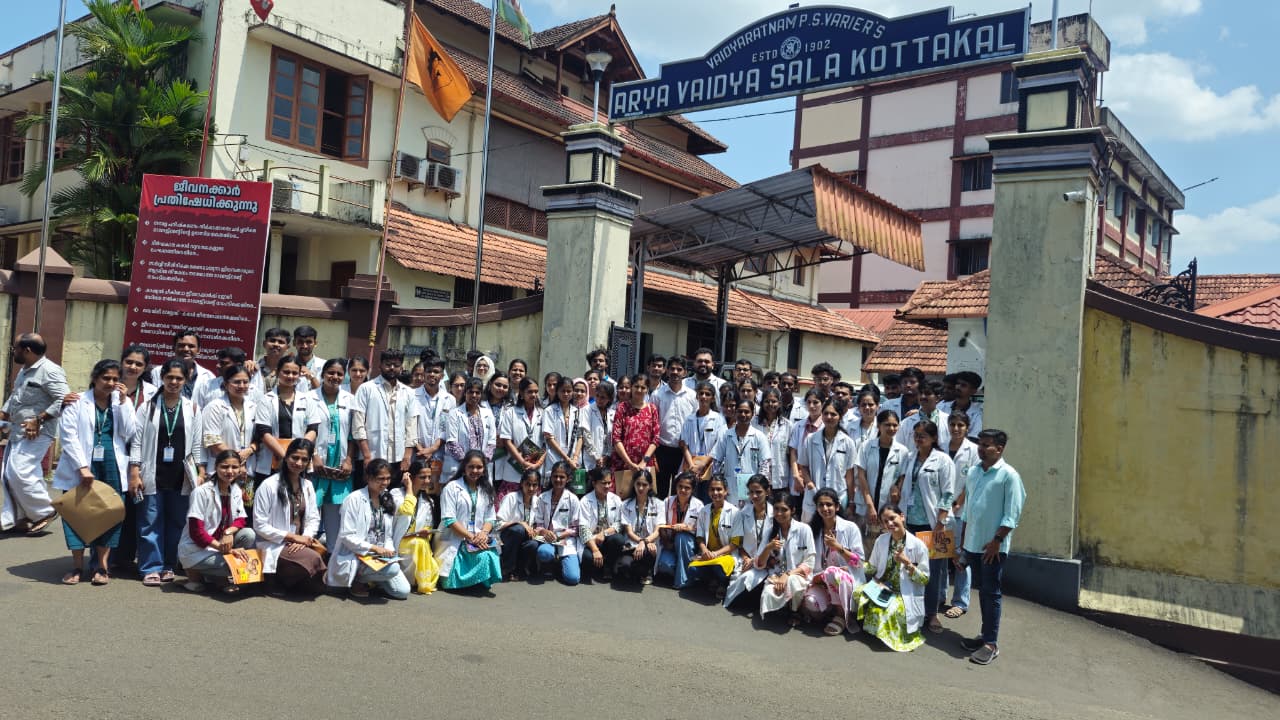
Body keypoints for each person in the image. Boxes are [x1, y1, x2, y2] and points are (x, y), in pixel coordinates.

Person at [52, 360, 137, 585]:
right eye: (106, 378)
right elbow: (68, 436)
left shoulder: (121, 402)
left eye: (115, 379)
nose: (110, 383)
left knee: (110, 511)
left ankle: (102, 566)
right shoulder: (77, 401)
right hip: (81, 464)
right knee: (76, 512)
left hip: (112, 463)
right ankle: (77, 567)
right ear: (95, 378)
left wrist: (124, 402)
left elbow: (129, 432)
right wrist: (82, 467)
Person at [129, 359, 201, 586]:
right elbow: (137, 442)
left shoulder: (192, 407)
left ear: (185, 380)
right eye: (170, 377)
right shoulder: (147, 407)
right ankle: (151, 567)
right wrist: (134, 472)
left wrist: (199, 472)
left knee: (177, 522)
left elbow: (197, 444)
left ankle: (169, 564)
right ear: (162, 378)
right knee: (150, 521)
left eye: (179, 378)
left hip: (181, 475)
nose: (174, 382)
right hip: (152, 473)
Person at [957, 429, 1025, 666]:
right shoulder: (974, 472)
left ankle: (991, 644)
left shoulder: (1009, 476)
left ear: (1000, 449)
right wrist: (964, 543)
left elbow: (1012, 515)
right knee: (983, 591)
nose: (981, 449)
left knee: (992, 593)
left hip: (992, 547)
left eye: (987, 445)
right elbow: (968, 510)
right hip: (973, 544)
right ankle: (985, 635)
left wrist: (997, 541)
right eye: (980, 444)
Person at [0, 333, 69, 534]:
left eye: (16, 348)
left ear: (27, 350)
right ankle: (20, 517)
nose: (14, 351)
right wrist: (4, 415)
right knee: (8, 474)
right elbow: (16, 397)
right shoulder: (25, 371)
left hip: (38, 432)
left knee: (21, 472)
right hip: (17, 430)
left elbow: (64, 399)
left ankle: (45, 511)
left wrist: (39, 419)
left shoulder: (50, 371)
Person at [898, 419, 956, 633]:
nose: (918, 439)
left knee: (932, 571)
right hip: (910, 522)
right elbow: (903, 482)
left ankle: (932, 614)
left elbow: (948, 493)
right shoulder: (910, 457)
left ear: (934, 438)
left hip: (932, 524)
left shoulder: (943, 460)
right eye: (916, 435)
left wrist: (941, 521)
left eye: (923, 435)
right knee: (909, 567)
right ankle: (911, 610)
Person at [326, 459, 410, 599]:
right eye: (380, 479)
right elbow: (347, 536)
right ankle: (358, 580)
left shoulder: (387, 498)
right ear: (368, 478)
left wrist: (388, 550)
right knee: (393, 569)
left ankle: (374, 579)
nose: (385, 483)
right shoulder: (354, 499)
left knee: (402, 591)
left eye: (388, 478)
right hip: (357, 555)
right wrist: (374, 548)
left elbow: (387, 535)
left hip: (378, 557)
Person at [253, 439, 327, 595]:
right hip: (275, 542)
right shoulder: (268, 485)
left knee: (317, 585)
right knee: (312, 560)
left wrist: (305, 538)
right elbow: (259, 525)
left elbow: (314, 518)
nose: (299, 463)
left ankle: (287, 580)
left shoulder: (307, 485)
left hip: (300, 543)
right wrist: (292, 537)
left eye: (304, 459)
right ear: (286, 457)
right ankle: (272, 579)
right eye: (295, 457)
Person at [178, 450, 256, 594]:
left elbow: (241, 520)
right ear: (216, 466)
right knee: (236, 566)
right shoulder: (201, 492)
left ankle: (215, 577)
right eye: (224, 467)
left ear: (240, 468)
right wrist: (228, 550)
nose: (230, 471)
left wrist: (228, 532)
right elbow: (197, 532)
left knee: (249, 534)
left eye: (234, 467)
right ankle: (195, 573)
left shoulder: (235, 490)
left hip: (220, 543)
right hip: (197, 549)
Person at [856, 503, 930, 651]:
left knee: (885, 611)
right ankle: (875, 629)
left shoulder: (918, 545)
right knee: (858, 593)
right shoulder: (882, 540)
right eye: (885, 521)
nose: (889, 523)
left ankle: (887, 633)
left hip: (903, 594)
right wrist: (853, 564)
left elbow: (924, 579)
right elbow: (872, 567)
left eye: (892, 518)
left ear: (902, 517)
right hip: (882, 588)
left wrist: (908, 563)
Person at [799, 489, 865, 635]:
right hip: (822, 580)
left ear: (837, 507)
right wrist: (814, 578)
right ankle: (831, 610)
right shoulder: (813, 530)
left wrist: (838, 547)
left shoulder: (850, 528)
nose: (825, 508)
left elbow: (859, 562)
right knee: (811, 602)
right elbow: (807, 559)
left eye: (829, 504)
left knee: (832, 572)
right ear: (816, 508)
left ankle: (841, 615)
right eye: (821, 505)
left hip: (846, 581)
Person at [437, 450, 502, 591]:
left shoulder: (486, 489)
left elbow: (491, 518)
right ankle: (466, 583)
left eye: (479, 467)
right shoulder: (451, 488)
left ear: (484, 469)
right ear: (464, 467)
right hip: (456, 538)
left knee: (489, 555)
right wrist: (471, 537)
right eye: (471, 467)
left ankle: (477, 582)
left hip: (478, 537)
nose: (475, 471)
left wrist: (483, 533)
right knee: (450, 581)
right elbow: (449, 519)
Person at [252, 355, 322, 482]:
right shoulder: (266, 400)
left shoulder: (307, 399)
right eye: (286, 372)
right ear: (278, 372)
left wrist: (298, 454)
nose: (290, 376)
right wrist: (287, 458)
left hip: (299, 463)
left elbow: (313, 429)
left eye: (295, 373)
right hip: (272, 462)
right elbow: (264, 432)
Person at [352, 348, 420, 475]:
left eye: (396, 365)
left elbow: (411, 427)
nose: (392, 368)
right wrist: (367, 455)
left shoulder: (408, 392)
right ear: (380, 366)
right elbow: (358, 425)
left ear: (402, 367)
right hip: (372, 457)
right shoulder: (366, 389)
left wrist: (407, 456)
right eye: (388, 364)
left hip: (399, 459)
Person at [199, 364, 260, 505]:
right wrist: (237, 462)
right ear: (226, 384)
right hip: (222, 470)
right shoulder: (214, 407)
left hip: (247, 472)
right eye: (237, 382)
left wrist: (250, 450)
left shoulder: (254, 407)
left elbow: (260, 437)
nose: (241, 385)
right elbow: (213, 441)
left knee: (244, 510)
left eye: (245, 382)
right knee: (218, 509)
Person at [312, 358, 355, 551]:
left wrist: (349, 460)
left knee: (336, 517)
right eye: (330, 372)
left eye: (339, 374)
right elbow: (305, 429)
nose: (335, 377)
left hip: (340, 468)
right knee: (310, 512)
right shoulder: (309, 398)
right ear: (322, 374)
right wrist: (313, 455)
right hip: (315, 465)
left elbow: (354, 434)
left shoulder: (350, 399)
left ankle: (332, 555)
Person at [943, 411, 981, 621]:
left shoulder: (973, 450)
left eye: (960, 425)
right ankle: (939, 596)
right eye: (953, 424)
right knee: (940, 555)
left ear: (967, 427)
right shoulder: (941, 446)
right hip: (940, 511)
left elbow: (972, 481)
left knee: (960, 557)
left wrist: (959, 502)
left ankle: (960, 601)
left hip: (960, 511)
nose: (956, 429)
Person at [755, 495, 816, 623]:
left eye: (784, 509)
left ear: (792, 510)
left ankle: (795, 611)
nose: (779, 513)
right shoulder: (770, 531)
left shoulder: (804, 529)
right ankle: (785, 605)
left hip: (799, 576)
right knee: (769, 594)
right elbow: (759, 563)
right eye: (776, 509)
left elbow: (810, 562)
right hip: (777, 576)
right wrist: (768, 548)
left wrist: (788, 575)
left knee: (792, 582)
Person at [796, 398, 858, 523]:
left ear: (840, 417)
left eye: (833, 414)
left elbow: (850, 475)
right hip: (814, 493)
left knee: (835, 530)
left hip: (838, 495)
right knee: (811, 531)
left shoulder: (848, 442)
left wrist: (851, 501)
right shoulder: (810, 439)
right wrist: (810, 483)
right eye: (826, 413)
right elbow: (803, 465)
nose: (829, 417)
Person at [722, 475, 774, 608]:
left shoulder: (775, 515)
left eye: (758, 492)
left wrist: (760, 561)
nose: (754, 496)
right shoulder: (743, 513)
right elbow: (738, 542)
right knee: (737, 597)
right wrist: (746, 558)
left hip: (768, 562)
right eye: (751, 492)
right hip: (746, 559)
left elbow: (778, 545)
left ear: (767, 491)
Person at [854, 409, 908, 533]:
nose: (891, 428)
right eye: (887, 425)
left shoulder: (902, 451)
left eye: (895, 425)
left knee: (887, 538)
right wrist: (870, 506)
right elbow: (861, 477)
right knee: (866, 539)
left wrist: (897, 488)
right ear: (878, 425)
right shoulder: (866, 446)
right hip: (866, 502)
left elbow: (902, 476)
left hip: (889, 504)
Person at [713, 398, 772, 508]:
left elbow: (765, 465)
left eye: (746, 412)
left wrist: (759, 488)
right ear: (735, 412)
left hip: (752, 490)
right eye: (740, 411)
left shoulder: (759, 437)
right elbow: (716, 462)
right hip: (730, 487)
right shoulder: (726, 435)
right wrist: (719, 485)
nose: (743, 414)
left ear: (753, 414)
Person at [650, 356, 695, 498]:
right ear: (667, 371)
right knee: (660, 491)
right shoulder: (657, 395)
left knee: (681, 491)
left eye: (679, 369)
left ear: (685, 373)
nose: (675, 372)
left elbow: (695, 423)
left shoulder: (692, 396)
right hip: (662, 450)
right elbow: (652, 423)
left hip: (684, 452)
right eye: (672, 369)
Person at [530, 461, 582, 585]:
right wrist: (545, 532)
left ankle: (561, 563)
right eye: (555, 476)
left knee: (573, 578)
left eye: (562, 477)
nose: (558, 479)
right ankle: (549, 563)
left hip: (566, 540)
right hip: (547, 539)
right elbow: (538, 524)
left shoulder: (573, 499)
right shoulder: (543, 497)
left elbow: (575, 528)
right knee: (544, 552)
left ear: (568, 479)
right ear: (551, 477)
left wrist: (558, 535)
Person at [686, 476, 738, 598]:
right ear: (708, 491)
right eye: (712, 489)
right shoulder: (704, 510)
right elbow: (699, 536)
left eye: (719, 489)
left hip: (726, 555)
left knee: (719, 567)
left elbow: (735, 543)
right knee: (692, 569)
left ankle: (723, 583)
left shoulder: (735, 512)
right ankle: (712, 579)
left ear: (726, 491)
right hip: (708, 554)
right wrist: (704, 550)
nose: (715, 492)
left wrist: (716, 554)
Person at [396, 459, 442, 594]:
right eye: (422, 477)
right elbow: (407, 510)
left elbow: (428, 524)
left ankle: (416, 580)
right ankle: (416, 580)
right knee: (418, 543)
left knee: (420, 543)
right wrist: (409, 487)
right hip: (399, 542)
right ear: (410, 477)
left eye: (429, 477)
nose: (427, 481)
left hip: (417, 542)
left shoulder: (428, 501)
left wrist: (426, 532)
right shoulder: (396, 495)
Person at [611, 373, 659, 499]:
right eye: (636, 386)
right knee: (621, 500)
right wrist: (629, 463)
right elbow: (616, 438)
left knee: (644, 499)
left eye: (643, 387)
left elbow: (655, 439)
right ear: (631, 387)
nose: (639, 390)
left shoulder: (652, 409)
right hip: (623, 463)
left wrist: (644, 462)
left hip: (645, 464)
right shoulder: (622, 408)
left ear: (647, 390)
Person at [496, 377, 544, 501]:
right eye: (530, 392)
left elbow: (547, 442)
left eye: (536, 391)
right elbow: (507, 440)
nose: (534, 395)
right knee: (510, 504)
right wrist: (522, 462)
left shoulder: (543, 413)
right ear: (521, 393)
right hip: (514, 468)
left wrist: (538, 464)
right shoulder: (511, 412)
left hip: (536, 467)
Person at [653, 471, 703, 589]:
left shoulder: (698, 505)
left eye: (687, 488)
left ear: (692, 490)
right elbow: (660, 524)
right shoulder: (667, 501)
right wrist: (666, 542)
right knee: (664, 565)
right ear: (676, 486)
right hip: (669, 543)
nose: (683, 490)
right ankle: (686, 570)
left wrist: (687, 528)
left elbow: (701, 531)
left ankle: (684, 580)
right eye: (680, 486)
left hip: (688, 544)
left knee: (682, 537)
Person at [678, 380, 725, 503]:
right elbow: (684, 445)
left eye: (707, 394)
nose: (704, 397)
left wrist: (703, 464)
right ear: (697, 396)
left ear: (713, 398)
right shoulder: (689, 419)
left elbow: (719, 445)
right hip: (691, 466)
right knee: (690, 502)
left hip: (710, 466)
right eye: (701, 393)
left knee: (707, 501)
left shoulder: (718, 419)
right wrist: (692, 466)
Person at [444, 377, 497, 480]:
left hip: (482, 468)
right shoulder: (454, 413)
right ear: (465, 393)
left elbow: (492, 442)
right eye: (470, 392)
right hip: (460, 466)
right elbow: (451, 442)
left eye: (477, 393)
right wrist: (468, 465)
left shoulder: (487, 413)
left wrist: (481, 464)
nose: (474, 395)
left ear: (481, 394)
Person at [578, 467, 624, 583]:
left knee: (618, 539)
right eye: (603, 483)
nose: (607, 486)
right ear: (594, 483)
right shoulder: (585, 501)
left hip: (607, 539)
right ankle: (597, 567)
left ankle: (608, 565)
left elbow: (620, 524)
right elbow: (583, 529)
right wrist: (595, 550)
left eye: (609, 482)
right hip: (591, 540)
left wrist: (604, 533)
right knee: (588, 558)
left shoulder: (616, 499)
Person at [496, 468, 542, 580]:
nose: (531, 488)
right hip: (507, 537)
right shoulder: (511, 498)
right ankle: (507, 568)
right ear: (522, 483)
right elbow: (497, 524)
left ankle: (520, 569)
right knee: (518, 529)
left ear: (538, 486)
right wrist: (519, 523)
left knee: (533, 544)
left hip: (525, 538)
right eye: (528, 484)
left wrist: (535, 529)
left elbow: (538, 523)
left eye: (534, 485)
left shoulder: (538, 501)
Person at [413, 354, 456, 474]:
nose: (432, 374)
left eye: (436, 372)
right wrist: (421, 449)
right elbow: (409, 426)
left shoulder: (450, 399)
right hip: (417, 453)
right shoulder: (412, 395)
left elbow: (448, 428)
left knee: (436, 484)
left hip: (439, 454)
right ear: (424, 374)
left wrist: (433, 448)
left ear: (442, 376)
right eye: (429, 371)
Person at [617, 470, 661, 584]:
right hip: (632, 544)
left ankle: (647, 572)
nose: (641, 488)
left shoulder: (658, 504)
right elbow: (629, 532)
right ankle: (638, 571)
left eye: (644, 485)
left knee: (649, 550)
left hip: (650, 544)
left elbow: (657, 531)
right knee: (626, 565)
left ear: (650, 486)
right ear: (634, 484)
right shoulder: (625, 505)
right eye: (638, 484)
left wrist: (645, 542)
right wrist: (641, 541)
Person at [148, 329, 216, 399]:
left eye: (191, 346)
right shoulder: (157, 372)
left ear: (198, 350)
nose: (186, 349)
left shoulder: (208, 377)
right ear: (173, 348)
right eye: (181, 345)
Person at [541, 377, 584, 486]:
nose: (566, 394)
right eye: (563, 391)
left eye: (569, 391)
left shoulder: (577, 411)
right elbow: (549, 438)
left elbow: (580, 436)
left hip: (574, 462)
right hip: (555, 459)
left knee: (572, 493)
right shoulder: (549, 411)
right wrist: (567, 459)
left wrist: (575, 458)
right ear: (557, 392)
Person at [753, 388, 792, 503]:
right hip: (758, 475)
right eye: (767, 401)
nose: (770, 404)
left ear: (779, 404)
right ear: (762, 403)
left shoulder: (787, 425)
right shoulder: (753, 423)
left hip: (780, 478)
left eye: (774, 401)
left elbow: (790, 454)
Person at [787, 389, 823, 512]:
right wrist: (796, 476)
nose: (812, 406)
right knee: (799, 512)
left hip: (817, 477)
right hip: (799, 479)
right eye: (809, 402)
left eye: (816, 402)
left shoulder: (825, 427)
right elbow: (793, 451)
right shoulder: (798, 425)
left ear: (823, 403)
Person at [583, 380, 616, 473]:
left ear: (609, 398)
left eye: (603, 397)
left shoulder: (612, 413)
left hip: (607, 460)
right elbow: (586, 434)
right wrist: (597, 457)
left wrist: (607, 455)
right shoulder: (587, 410)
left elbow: (613, 437)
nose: (599, 399)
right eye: (597, 396)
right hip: (591, 459)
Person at [250, 327, 292, 398]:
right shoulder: (251, 368)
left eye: (281, 342)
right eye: (272, 340)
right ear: (264, 344)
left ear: (287, 348)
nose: (276, 344)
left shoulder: (292, 372)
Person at [939, 370, 983, 436]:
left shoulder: (977, 413)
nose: (958, 387)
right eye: (957, 384)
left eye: (963, 385)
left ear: (973, 391)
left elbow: (974, 437)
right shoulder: (941, 406)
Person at [120, 344, 157, 411]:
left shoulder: (153, 391)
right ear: (121, 362)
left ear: (145, 368)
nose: (132, 367)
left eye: (138, 364)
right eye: (129, 362)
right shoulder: (110, 387)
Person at [292, 325, 325, 392]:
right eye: (300, 342)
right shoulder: (287, 365)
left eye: (309, 342)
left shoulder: (324, 365)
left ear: (315, 343)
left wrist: (311, 377)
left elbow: (325, 393)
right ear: (294, 343)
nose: (305, 346)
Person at [848, 388, 880, 457]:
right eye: (863, 405)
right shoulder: (850, 426)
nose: (867, 407)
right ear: (858, 407)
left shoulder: (883, 426)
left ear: (877, 406)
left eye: (871, 404)